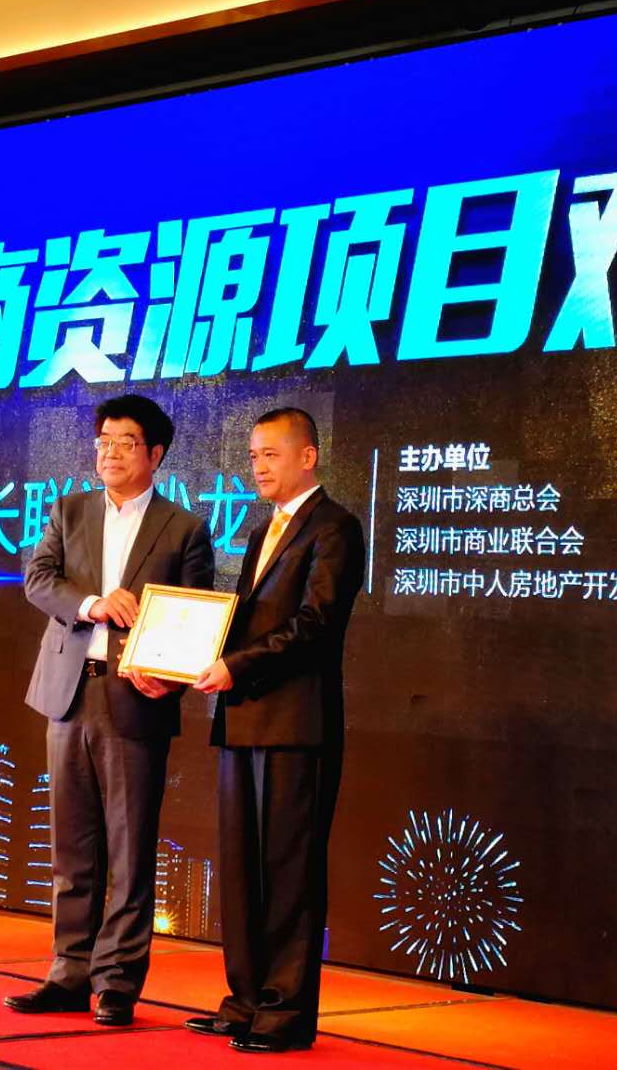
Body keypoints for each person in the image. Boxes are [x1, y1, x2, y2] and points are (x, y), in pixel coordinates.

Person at [7, 394, 215, 1027]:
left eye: (126, 443)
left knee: (129, 849)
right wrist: (93, 604)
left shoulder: (183, 528)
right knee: (71, 849)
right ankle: (67, 975)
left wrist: (171, 679)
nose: (110, 453)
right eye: (103, 441)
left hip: (136, 700)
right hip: (68, 694)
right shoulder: (68, 510)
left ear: (155, 454)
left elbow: (195, 615)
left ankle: (118, 983)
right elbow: (38, 580)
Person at [186, 407, 365, 1053]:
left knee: (289, 874)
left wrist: (235, 666)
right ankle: (244, 1002)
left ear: (307, 457)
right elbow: (247, 620)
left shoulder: (335, 526)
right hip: (244, 719)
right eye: (253, 455)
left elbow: (315, 624)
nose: (257, 466)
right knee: (242, 871)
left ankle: (284, 1014)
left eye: (270, 454)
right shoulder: (264, 528)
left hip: (296, 723)